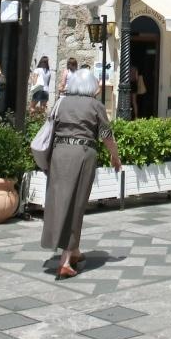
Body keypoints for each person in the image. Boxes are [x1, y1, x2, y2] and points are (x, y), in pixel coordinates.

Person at [37, 68, 122, 279]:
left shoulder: (61, 102)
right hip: (82, 154)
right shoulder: (95, 105)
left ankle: (73, 251)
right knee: (76, 204)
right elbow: (106, 134)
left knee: (59, 201)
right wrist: (115, 156)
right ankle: (65, 262)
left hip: (58, 154)